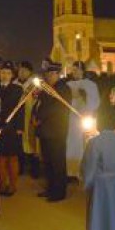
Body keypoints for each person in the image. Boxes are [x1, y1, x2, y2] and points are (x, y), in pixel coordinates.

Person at [34, 61, 72, 202]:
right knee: (48, 161)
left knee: (57, 162)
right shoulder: (47, 88)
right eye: (47, 74)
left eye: (51, 74)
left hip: (56, 131)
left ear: (57, 74)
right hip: (45, 131)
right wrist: (35, 115)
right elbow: (39, 104)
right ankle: (50, 188)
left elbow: (57, 108)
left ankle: (59, 192)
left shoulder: (63, 89)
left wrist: (40, 117)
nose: (48, 76)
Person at [0, 61, 24, 196]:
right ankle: (2, 183)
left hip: (12, 128)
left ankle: (13, 185)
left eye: (8, 73)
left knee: (12, 158)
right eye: (3, 72)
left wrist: (20, 127)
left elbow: (20, 110)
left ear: (12, 75)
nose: (5, 75)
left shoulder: (17, 89)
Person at [66, 61, 100, 179]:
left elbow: (94, 102)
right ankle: (70, 171)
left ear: (82, 71)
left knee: (82, 144)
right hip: (70, 118)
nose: (74, 72)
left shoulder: (89, 84)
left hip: (83, 118)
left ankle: (82, 170)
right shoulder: (68, 84)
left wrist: (85, 108)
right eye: (73, 70)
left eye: (77, 70)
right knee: (70, 143)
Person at [17, 61, 40, 178]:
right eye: (20, 70)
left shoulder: (34, 84)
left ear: (29, 72)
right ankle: (21, 168)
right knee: (21, 144)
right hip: (20, 118)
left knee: (33, 144)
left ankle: (35, 170)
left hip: (31, 117)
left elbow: (38, 99)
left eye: (24, 70)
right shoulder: (15, 83)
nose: (21, 72)